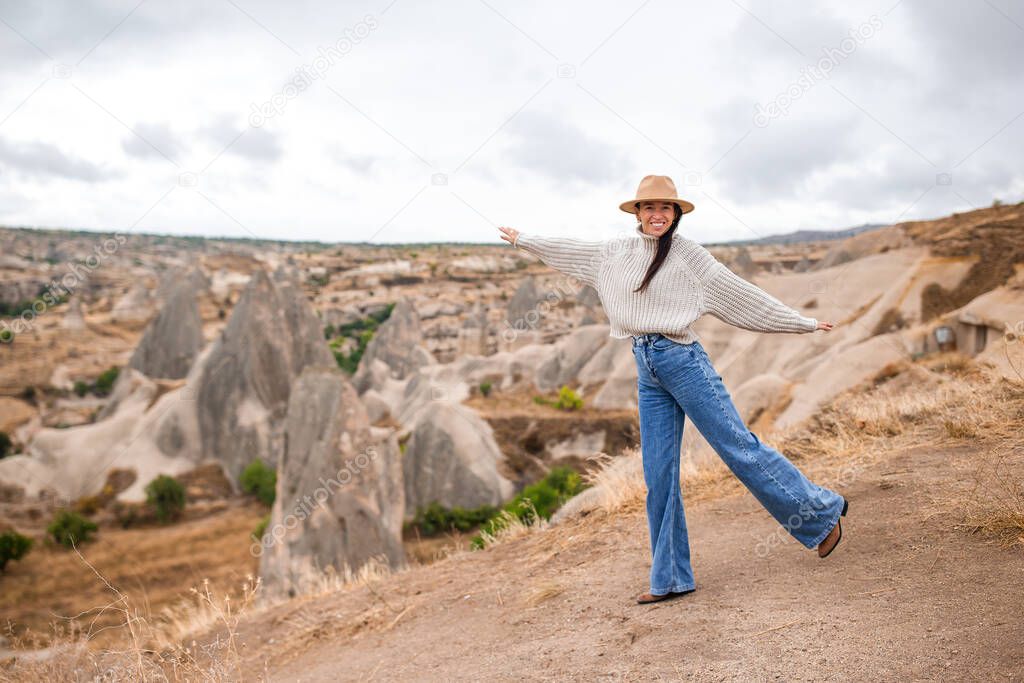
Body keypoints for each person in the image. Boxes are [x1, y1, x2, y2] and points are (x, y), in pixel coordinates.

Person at [497, 175, 848, 605]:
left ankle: (820, 514)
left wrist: (802, 323)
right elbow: (568, 250)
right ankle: (670, 578)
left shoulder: (689, 257)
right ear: (638, 214)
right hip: (645, 366)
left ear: (675, 213)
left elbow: (743, 298)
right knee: (658, 474)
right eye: (648, 207)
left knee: (737, 447)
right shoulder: (613, 253)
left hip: (683, 361)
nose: (657, 214)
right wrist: (524, 239)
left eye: (665, 207)